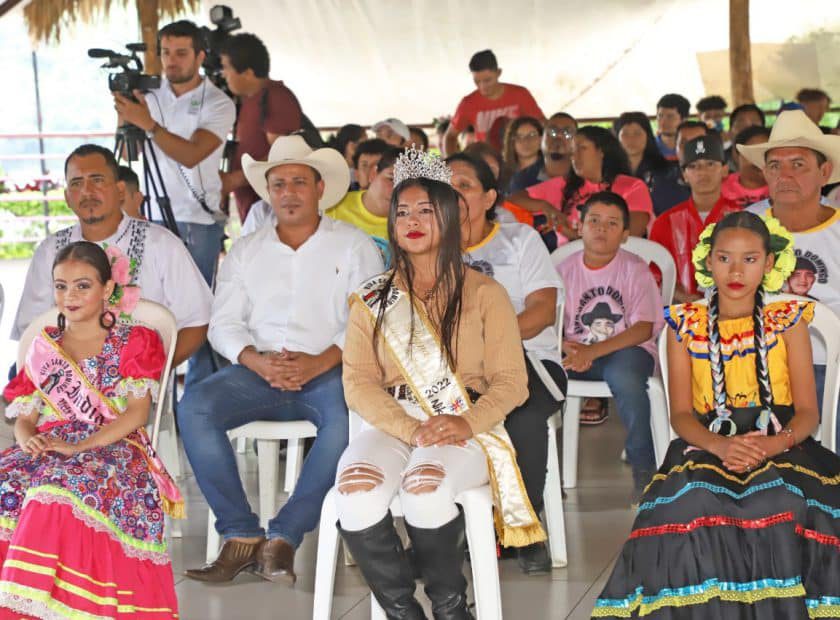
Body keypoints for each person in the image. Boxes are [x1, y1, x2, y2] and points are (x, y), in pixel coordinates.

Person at [593, 211, 840, 618]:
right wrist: (721, 446)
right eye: (724, 258)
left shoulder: (789, 323)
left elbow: (808, 412)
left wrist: (772, 445)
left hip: (781, 442)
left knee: (782, 498)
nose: (736, 271)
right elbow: (682, 415)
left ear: (770, 264)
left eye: (750, 259)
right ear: (708, 262)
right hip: (705, 443)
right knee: (691, 502)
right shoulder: (684, 325)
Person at [335, 147, 543, 619]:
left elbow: (513, 382)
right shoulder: (371, 298)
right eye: (402, 211)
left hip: (462, 423)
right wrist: (409, 429)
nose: (412, 220)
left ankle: (452, 610)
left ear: (450, 217)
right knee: (356, 497)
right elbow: (358, 383)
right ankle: (404, 614)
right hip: (393, 423)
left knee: (425, 496)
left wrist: (467, 422)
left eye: (425, 211)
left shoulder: (487, 294)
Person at [180, 136, 383, 585]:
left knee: (349, 416)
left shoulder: (353, 246)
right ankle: (239, 533)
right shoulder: (246, 250)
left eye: (298, 182)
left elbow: (369, 318)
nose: (288, 192)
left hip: (330, 371)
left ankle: (285, 536)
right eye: (278, 184)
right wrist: (255, 360)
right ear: (268, 192)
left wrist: (320, 361)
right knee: (193, 406)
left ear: (318, 189)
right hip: (258, 372)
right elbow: (223, 323)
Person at [1, 241, 181, 618]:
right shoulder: (43, 345)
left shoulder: (135, 341)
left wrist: (80, 446)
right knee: (9, 485)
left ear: (108, 289)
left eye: (82, 285)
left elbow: (136, 415)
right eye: (61, 285)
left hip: (114, 444)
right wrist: (26, 439)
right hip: (52, 443)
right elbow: (24, 415)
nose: (69, 296)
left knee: (55, 489)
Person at [453, 151, 566, 574]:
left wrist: (490, 345)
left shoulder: (520, 240)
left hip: (527, 357)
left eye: (464, 185)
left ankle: (526, 524)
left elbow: (541, 310)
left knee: (519, 413)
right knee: (444, 414)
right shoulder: (428, 245)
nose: (453, 195)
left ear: (488, 197)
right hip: (454, 366)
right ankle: (452, 526)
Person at [12, 144, 212, 379]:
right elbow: (31, 329)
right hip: (65, 384)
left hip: (138, 384)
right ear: (67, 197)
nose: (86, 191)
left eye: (97, 180)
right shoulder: (49, 251)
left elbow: (198, 321)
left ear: (119, 191)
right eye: (76, 183)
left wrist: (151, 371)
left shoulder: (161, 244)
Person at [113, 20, 235, 290]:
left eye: (181, 53)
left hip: (198, 218)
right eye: (166, 52)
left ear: (200, 56)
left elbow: (193, 155)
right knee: (154, 297)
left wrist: (148, 124)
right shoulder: (150, 96)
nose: (171, 61)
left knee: (197, 302)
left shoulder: (218, 102)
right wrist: (125, 117)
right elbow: (125, 153)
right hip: (152, 213)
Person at [744, 109, 840, 450]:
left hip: (832, 367)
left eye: (798, 164)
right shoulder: (743, 227)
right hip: (757, 366)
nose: (784, 175)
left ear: (824, 171)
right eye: (775, 166)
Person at [557, 192, 663, 494]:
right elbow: (549, 323)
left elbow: (643, 328)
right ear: (579, 227)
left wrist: (592, 350)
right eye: (594, 221)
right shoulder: (563, 270)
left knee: (625, 378)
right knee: (539, 375)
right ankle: (543, 472)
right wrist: (566, 346)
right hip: (576, 354)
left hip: (628, 353)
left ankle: (644, 469)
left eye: (612, 223)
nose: (601, 229)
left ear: (626, 234)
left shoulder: (635, 269)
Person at [508, 126, 654, 250]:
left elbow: (629, 236)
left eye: (581, 148)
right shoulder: (565, 184)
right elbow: (514, 199)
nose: (573, 156)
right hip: (567, 267)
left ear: (601, 151)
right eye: (572, 150)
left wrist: (574, 235)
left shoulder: (632, 186)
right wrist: (546, 207)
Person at [218, 32, 305, 221]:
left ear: (248, 73)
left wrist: (234, 180)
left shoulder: (275, 96)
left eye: (226, 68)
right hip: (255, 211)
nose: (223, 75)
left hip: (273, 211)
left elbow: (283, 156)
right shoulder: (250, 100)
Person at [650, 134, 740, 302]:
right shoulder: (664, 223)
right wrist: (682, 297)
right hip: (680, 315)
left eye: (710, 164)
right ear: (684, 174)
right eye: (693, 166)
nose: (702, 172)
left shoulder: (742, 218)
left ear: (725, 169)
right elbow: (653, 276)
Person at [443, 49, 544, 155]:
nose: (482, 87)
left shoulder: (520, 94)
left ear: (499, 73)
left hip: (517, 160)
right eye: (477, 81)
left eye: (487, 80)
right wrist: (452, 166)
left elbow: (542, 125)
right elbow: (450, 137)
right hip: (487, 163)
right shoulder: (468, 103)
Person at [327, 146, 401, 263]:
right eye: (391, 179)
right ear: (373, 174)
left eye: (407, 184)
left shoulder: (411, 223)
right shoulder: (334, 206)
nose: (397, 189)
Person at [614, 111, 685, 216]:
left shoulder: (666, 170)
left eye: (637, 133)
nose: (631, 139)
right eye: (625, 134)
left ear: (648, 136)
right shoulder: (609, 173)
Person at [507, 112, 578, 193]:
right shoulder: (522, 180)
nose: (559, 137)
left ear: (577, 140)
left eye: (567, 133)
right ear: (541, 139)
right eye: (552, 132)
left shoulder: (586, 176)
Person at [721, 125, 771, 208]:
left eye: (766, 153)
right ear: (736, 155)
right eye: (753, 152)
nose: (759, 159)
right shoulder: (719, 187)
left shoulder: (784, 187)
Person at [501, 116, 544, 185]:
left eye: (532, 135)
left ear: (541, 139)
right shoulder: (503, 175)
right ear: (512, 142)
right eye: (519, 137)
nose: (526, 141)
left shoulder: (550, 171)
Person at [655, 93, 691, 160]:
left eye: (670, 117)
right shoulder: (647, 147)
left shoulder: (694, 147)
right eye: (660, 116)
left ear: (684, 120)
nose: (663, 122)